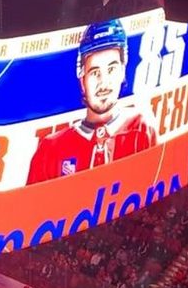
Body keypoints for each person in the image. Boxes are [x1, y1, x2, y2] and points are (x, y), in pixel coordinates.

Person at [27, 19, 158, 184]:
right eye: (95, 72)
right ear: (82, 80)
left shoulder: (142, 127)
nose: (104, 82)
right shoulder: (50, 149)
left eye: (111, 69)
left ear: (123, 72)